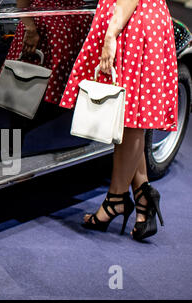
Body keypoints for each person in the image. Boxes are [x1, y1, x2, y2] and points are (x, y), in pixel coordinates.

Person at [59, 0, 178, 240]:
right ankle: (143, 195)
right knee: (129, 116)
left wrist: (110, 34)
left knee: (130, 120)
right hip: (137, 18)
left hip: (131, 21)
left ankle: (116, 199)